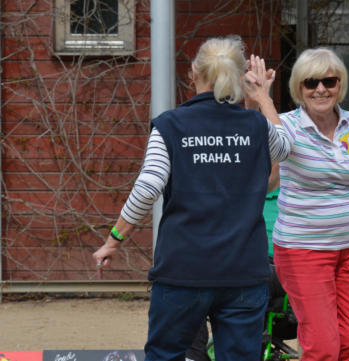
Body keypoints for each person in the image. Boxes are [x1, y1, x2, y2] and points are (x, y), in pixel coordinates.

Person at [92, 35, 290, 361]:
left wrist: (114, 240)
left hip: (182, 271)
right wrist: (263, 98)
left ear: (193, 72)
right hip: (243, 273)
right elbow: (285, 147)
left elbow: (147, 187)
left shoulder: (171, 125)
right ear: (239, 76)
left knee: (167, 355)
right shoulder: (256, 125)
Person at [245, 48, 349, 361]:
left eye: (329, 81)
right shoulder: (287, 126)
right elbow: (266, 179)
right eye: (311, 82)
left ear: (340, 84)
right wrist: (258, 101)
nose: (320, 89)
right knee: (322, 346)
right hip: (302, 251)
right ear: (299, 88)